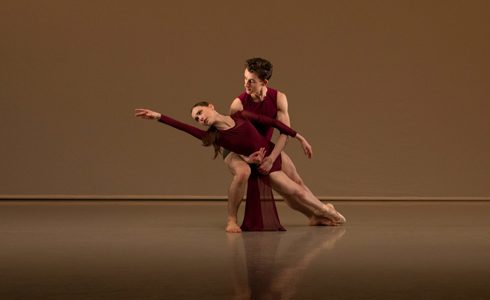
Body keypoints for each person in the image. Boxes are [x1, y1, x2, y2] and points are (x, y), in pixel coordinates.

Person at [135, 103, 346, 231]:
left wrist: (300, 138)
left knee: (299, 185)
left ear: (211, 106)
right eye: (197, 118)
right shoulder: (212, 135)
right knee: (295, 191)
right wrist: (159, 117)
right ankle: (328, 212)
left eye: (200, 112)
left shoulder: (241, 116)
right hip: (261, 164)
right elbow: (182, 127)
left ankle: (313, 216)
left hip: (274, 152)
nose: (200, 118)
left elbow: (273, 123)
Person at [224, 58, 330, 233]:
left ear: (264, 82)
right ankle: (231, 220)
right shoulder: (238, 104)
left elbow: (284, 132)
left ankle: (314, 216)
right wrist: (247, 158)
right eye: (244, 79)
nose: (246, 84)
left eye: (251, 81)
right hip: (238, 149)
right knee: (243, 173)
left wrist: (271, 159)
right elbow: (231, 137)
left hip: (265, 148)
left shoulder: (279, 98)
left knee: (297, 182)